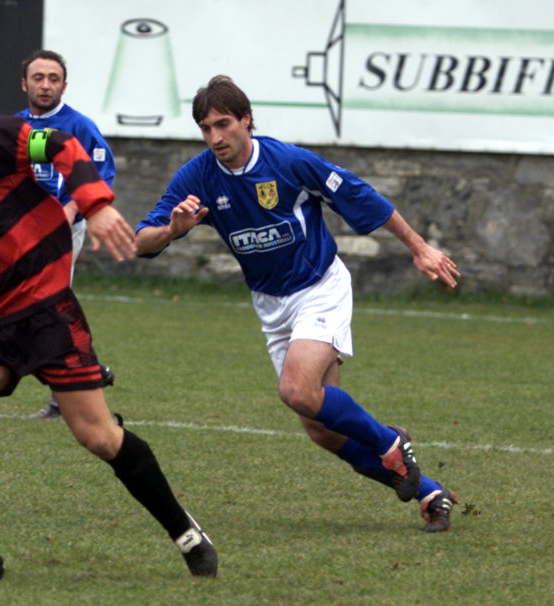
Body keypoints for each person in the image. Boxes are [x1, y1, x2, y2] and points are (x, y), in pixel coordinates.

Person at [0, 56, 217, 579]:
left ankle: (187, 533)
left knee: (98, 435)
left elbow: (57, 145)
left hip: (45, 308)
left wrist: (94, 204)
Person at [136, 75, 461, 533]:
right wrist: (173, 229)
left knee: (296, 392)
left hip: (319, 287)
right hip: (271, 305)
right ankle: (429, 492)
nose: (215, 137)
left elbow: (359, 195)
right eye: (206, 128)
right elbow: (140, 242)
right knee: (320, 428)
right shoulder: (197, 176)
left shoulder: (287, 162)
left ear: (246, 119)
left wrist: (419, 247)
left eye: (223, 124)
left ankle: (391, 442)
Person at [16, 49, 117, 419]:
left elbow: (102, 174)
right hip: (19, 234)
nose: (45, 85)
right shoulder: (15, 127)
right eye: (38, 78)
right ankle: (87, 370)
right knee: (36, 309)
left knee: (44, 306)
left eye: (53, 79)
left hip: (62, 232)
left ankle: (75, 383)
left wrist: (73, 208)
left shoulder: (79, 127)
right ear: (24, 83)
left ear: (64, 85)